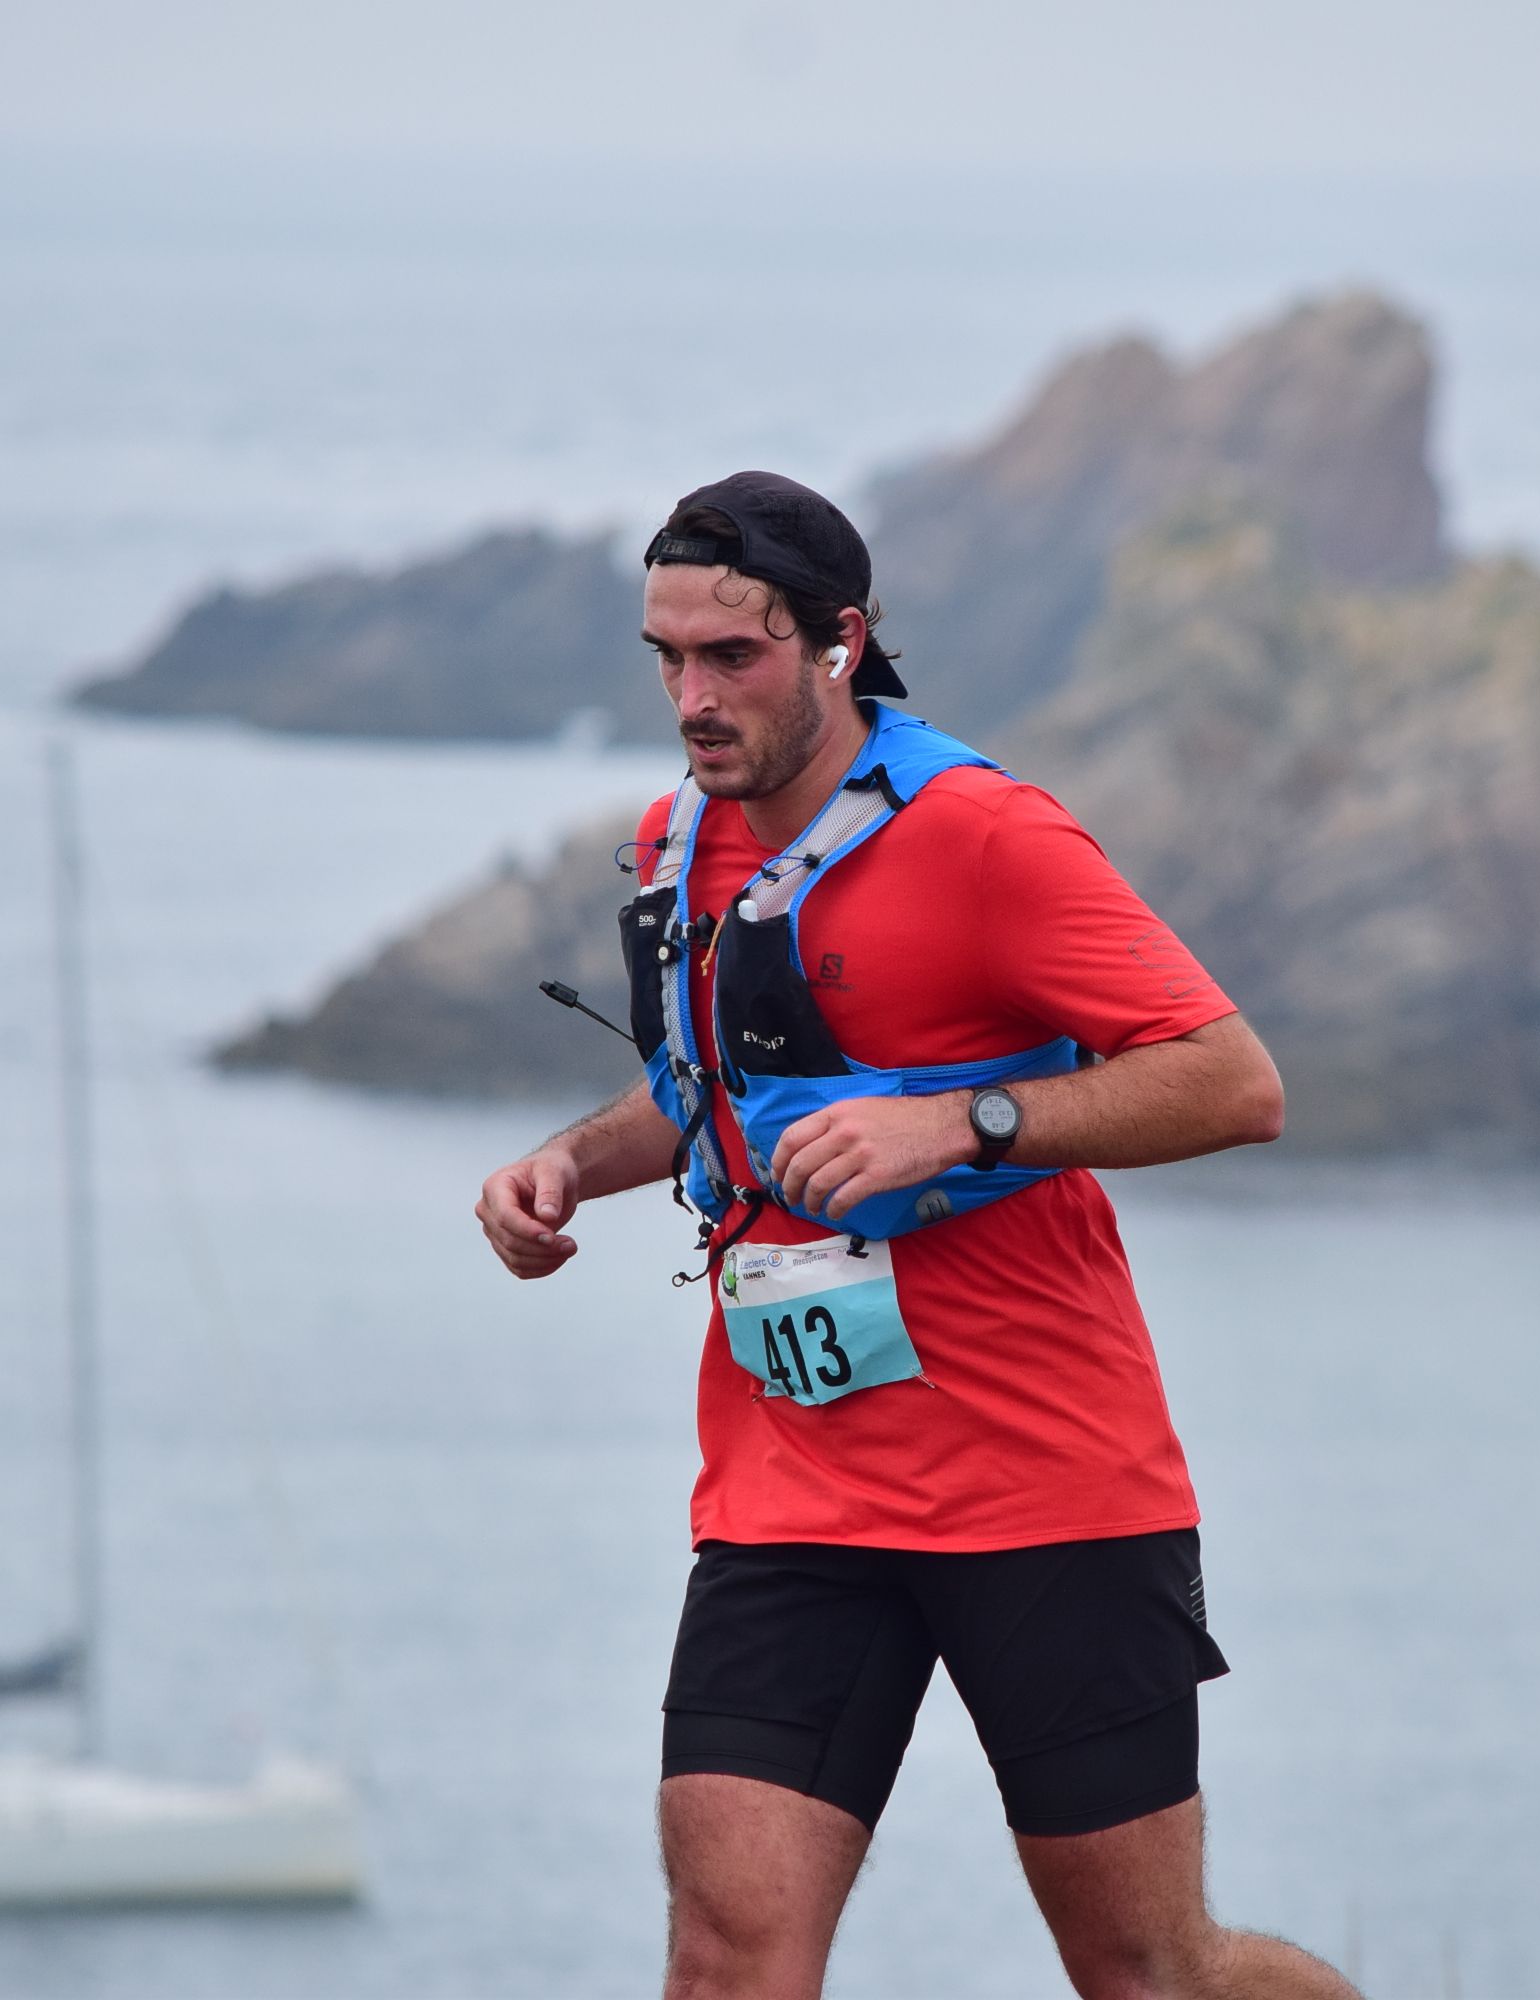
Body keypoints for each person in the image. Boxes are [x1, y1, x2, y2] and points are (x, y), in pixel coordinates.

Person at [475, 470, 1357, 2000]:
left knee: (1149, 1971)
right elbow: (715, 1097)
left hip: (1044, 1485)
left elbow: (1234, 1082)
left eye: (732, 657)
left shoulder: (984, 835)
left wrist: (965, 1123)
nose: (692, 699)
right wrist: (566, 1163)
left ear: (839, 642)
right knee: (726, 1955)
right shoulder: (681, 844)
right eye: (667, 658)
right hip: (792, 1491)